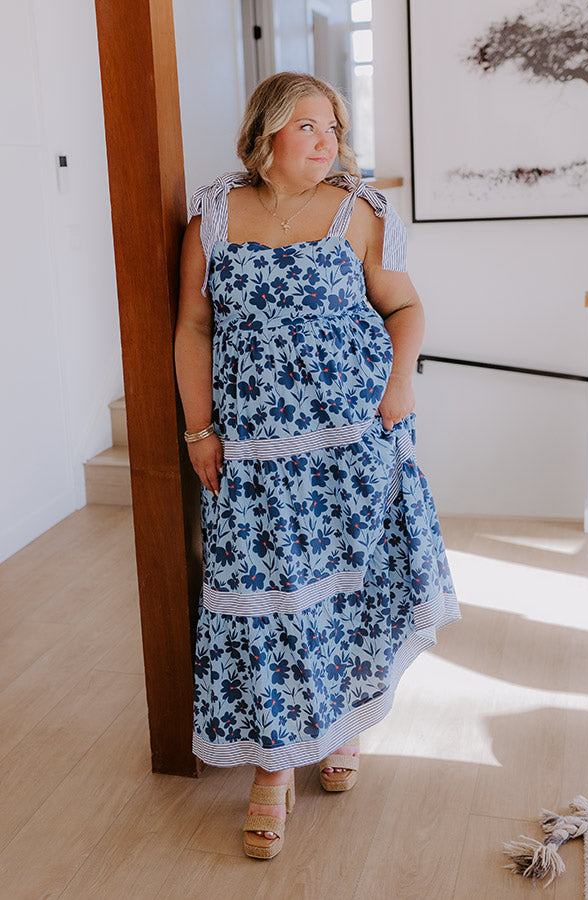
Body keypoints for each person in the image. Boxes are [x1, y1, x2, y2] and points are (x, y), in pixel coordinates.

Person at [175, 72, 459, 860]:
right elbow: (194, 327)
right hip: (257, 455)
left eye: (334, 126)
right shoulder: (213, 217)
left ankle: (341, 725)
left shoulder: (362, 213)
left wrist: (400, 382)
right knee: (269, 600)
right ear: (266, 135)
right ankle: (273, 768)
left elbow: (404, 307)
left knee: (347, 590)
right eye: (309, 126)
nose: (329, 140)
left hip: (352, 440)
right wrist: (199, 430)